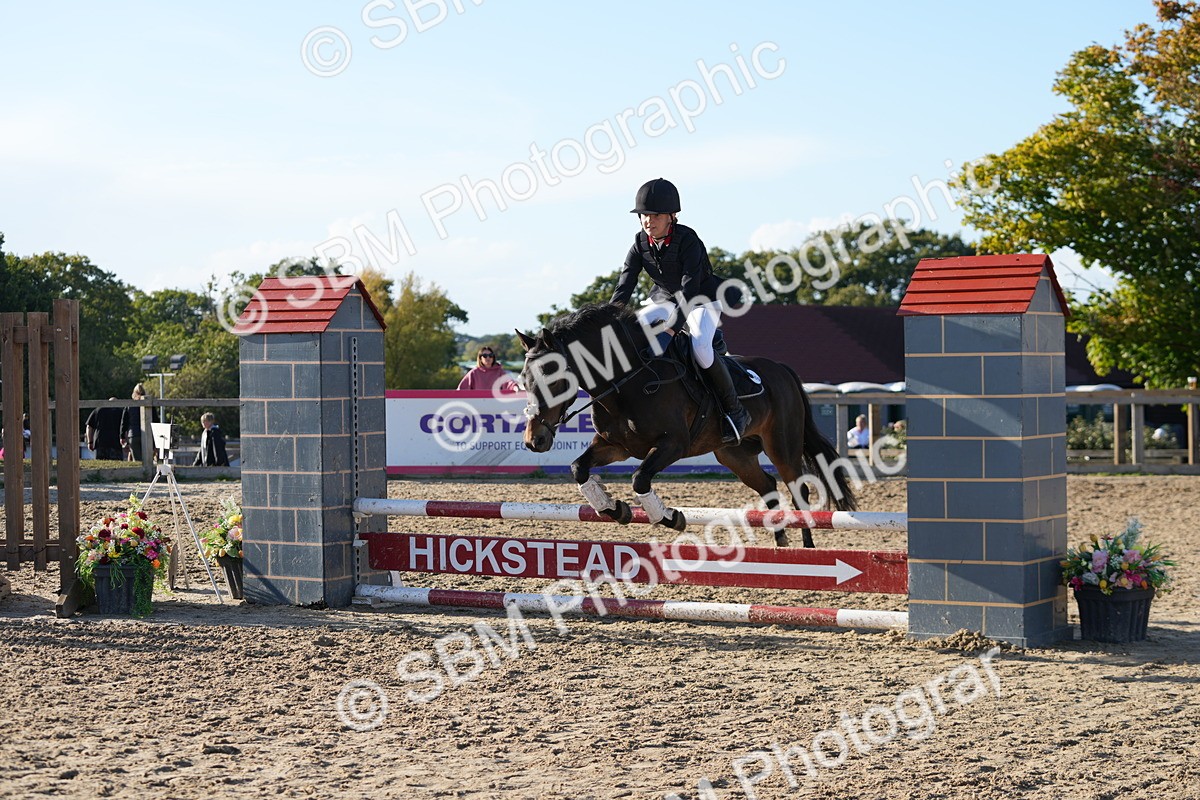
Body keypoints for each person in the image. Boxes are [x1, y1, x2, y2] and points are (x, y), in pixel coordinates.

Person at [610, 177, 750, 444]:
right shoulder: (640, 243)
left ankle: (735, 410)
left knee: (701, 348)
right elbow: (624, 285)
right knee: (634, 330)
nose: (648, 221)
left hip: (701, 299)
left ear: (672, 216)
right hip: (663, 298)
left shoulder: (688, 240)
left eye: (655, 215)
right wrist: (612, 320)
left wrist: (674, 327)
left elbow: (689, 289)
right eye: (644, 216)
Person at [120, 383, 150, 462]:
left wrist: (122, 436)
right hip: (147, 435)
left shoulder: (129, 406)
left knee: (137, 461)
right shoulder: (149, 405)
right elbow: (155, 420)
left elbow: (124, 422)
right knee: (147, 460)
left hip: (133, 435)